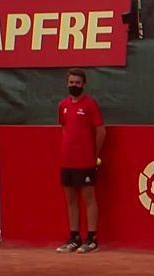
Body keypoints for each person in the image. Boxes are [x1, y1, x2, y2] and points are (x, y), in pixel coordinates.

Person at [55, 68, 106, 254]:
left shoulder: (90, 105)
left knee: (89, 198)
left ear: (83, 84)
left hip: (86, 161)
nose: (74, 85)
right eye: (71, 82)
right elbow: (64, 128)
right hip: (66, 160)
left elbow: (101, 131)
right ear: (66, 83)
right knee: (71, 200)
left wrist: (94, 154)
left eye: (77, 82)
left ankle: (92, 239)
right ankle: (74, 237)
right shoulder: (63, 105)